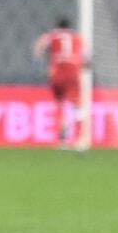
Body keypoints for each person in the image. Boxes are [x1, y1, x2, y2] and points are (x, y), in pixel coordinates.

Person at [33, 18, 86, 149]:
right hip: (72, 73)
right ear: (69, 27)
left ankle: (62, 141)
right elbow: (86, 57)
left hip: (56, 75)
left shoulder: (52, 35)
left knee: (62, 106)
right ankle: (79, 139)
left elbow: (39, 45)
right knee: (77, 105)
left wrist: (37, 61)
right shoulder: (77, 37)